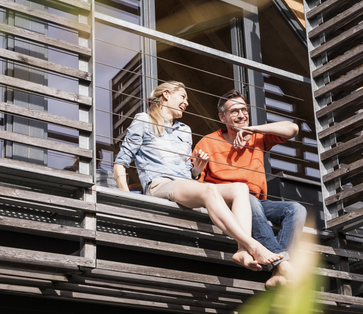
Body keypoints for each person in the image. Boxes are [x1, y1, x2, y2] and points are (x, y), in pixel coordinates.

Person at [113, 81, 282, 274]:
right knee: (208, 189)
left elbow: (188, 172)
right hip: (159, 184)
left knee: (240, 188)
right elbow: (121, 161)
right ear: (166, 95)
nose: (186, 103)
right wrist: (126, 195)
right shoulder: (144, 120)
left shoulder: (185, 130)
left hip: (184, 185)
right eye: (183, 97)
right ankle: (253, 245)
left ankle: (242, 250)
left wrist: (198, 169)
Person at [193, 89, 307, 288]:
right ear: (223, 117)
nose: (241, 115)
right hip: (230, 204)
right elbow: (196, 183)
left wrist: (254, 129)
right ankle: (282, 263)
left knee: (297, 209)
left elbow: (293, 129)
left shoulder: (256, 137)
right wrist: (196, 170)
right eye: (235, 111)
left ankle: (279, 270)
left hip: (259, 203)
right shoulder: (208, 142)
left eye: (244, 110)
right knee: (247, 196)